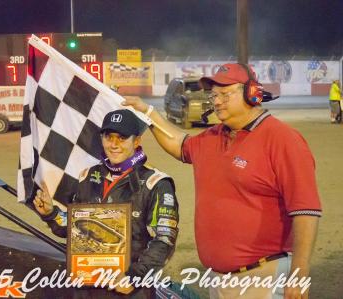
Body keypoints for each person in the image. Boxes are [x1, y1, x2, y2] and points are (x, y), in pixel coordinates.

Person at [123, 63, 322, 299]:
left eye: (225, 94)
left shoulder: (283, 139)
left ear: (252, 93)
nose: (217, 102)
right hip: (218, 281)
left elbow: (305, 210)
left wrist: (300, 270)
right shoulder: (213, 136)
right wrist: (148, 113)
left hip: (265, 277)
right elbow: (178, 143)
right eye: (214, 95)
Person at [33, 109, 179, 295]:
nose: (114, 144)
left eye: (122, 138)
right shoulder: (88, 177)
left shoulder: (156, 183)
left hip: (131, 289)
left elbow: (164, 241)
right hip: (87, 286)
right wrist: (50, 214)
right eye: (109, 137)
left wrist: (134, 276)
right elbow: (77, 230)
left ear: (136, 141)